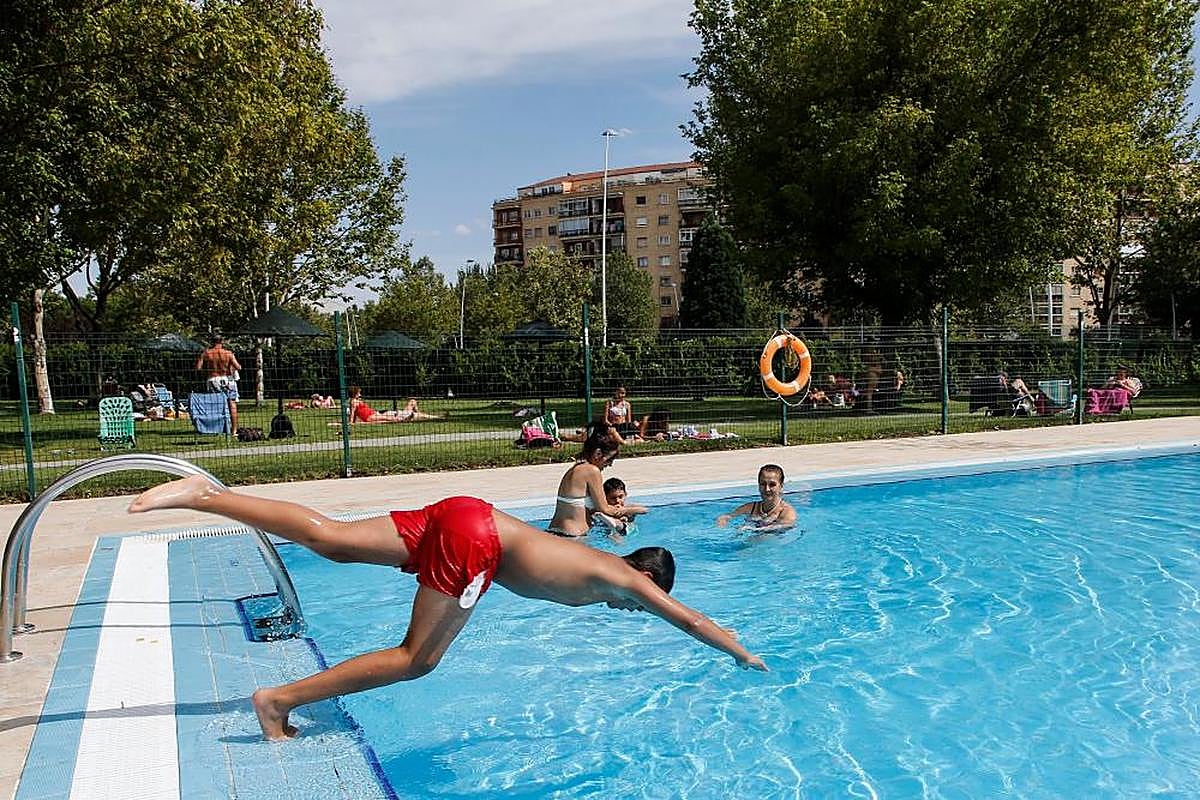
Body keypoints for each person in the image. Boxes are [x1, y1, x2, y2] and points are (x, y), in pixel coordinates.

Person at [127, 477, 767, 740]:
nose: (638, 610)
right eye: (647, 596)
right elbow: (692, 620)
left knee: (329, 537)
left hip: (470, 513)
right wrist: (740, 651)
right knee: (416, 661)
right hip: (476, 543)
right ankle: (279, 700)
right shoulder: (628, 580)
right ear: (646, 577)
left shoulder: (597, 563)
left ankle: (206, 496)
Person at [548, 423, 630, 537]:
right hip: (572, 536)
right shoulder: (591, 471)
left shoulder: (576, 468)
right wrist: (636, 510)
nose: (610, 464)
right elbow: (604, 508)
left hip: (555, 532)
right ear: (598, 454)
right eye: (610, 459)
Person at [716, 464, 797, 531]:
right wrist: (722, 525)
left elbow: (785, 526)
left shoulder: (786, 512)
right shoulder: (750, 508)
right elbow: (727, 516)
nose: (767, 489)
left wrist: (753, 529)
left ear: (781, 486)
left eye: (772, 485)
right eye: (763, 484)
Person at [196, 334, 242, 435]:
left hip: (212, 379)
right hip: (226, 379)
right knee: (232, 404)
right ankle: (234, 431)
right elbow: (238, 367)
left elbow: (198, 367)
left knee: (216, 406)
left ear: (212, 342)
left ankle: (217, 430)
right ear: (222, 342)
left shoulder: (206, 353)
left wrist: (208, 369)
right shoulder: (228, 353)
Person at [348, 386, 441, 423]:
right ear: (355, 393)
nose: (360, 394)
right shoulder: (353, 401)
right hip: (370, 417)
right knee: (390, 418)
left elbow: (356, 413)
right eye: (358, 392)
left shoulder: (357, 401)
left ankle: (434, 417)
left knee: (412, 405)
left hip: (375, 413)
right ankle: (434, 417)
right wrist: (351, 422)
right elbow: (353, 413)